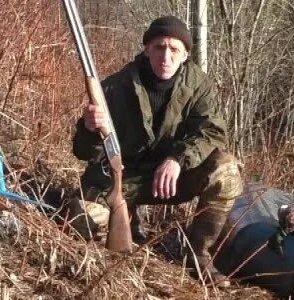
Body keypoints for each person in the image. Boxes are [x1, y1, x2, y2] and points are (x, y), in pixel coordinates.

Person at [72, 15, 244, 286]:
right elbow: (83, 153)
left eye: (174, 49)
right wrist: (89, 128)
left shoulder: (199, 86)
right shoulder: (115, 86)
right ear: (146, 49)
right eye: (159, 47)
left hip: (172, 179)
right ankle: (126, 217)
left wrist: (178, 159)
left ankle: (198, 254)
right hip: (125, 179)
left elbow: (213, 132)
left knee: (227, 170)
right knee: (82, 223)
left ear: (185, 55)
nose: (166, 56)